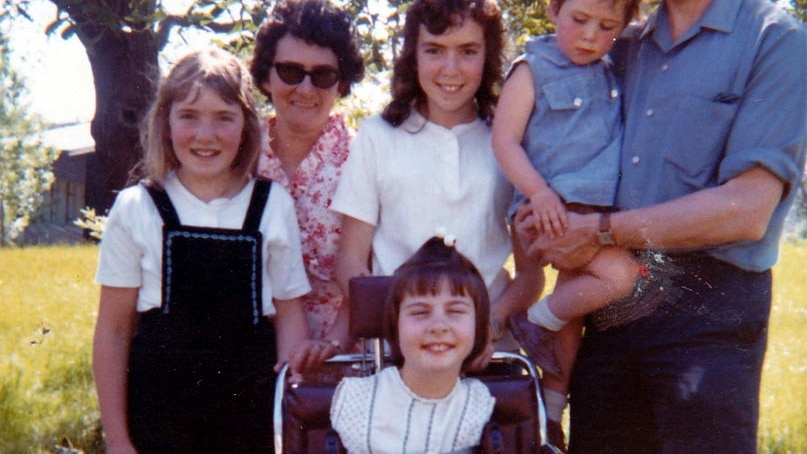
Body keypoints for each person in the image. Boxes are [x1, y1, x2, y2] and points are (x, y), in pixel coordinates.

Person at [515, 0, 807, 452]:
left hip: (712, 304)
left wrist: (598, 231)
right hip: (614, 304)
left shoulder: (775, 39)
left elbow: (747, 210)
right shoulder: (621, 42)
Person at [92, 48, 333, 454]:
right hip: (157, 417)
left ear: (246, 127)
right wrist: (118, 440)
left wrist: (289, 420)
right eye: (189, 116)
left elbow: (291, 314)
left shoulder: (271, 205)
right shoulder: (138, 208)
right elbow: (113, 333)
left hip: (248, 417)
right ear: (166, 122)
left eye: (224, 117)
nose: (206, 135)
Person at [331, 0, 542, 373]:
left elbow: (531, 274)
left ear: (488, 56)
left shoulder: (509, 141)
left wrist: (488, 326)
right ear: (413, 55)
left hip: (485, 354)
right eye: (434, 51)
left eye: (468, 51)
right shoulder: (378, 137)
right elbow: (350, 260)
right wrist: (403, 331)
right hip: (396, 356)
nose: (451, 69)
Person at [491, 0, 640, 438]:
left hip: (591, 213)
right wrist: (538, 194)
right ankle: (532, 321)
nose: (591, 35)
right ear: (553, 10)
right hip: (550, 209)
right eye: (579, 20)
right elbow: (505, 140)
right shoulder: (532, 69)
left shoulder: (613, 69)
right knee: (623, 275)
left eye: (607, 26)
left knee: (571, 317)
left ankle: (550, 419)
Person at [251, 0, 365, 344]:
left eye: (323, 75)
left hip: (341, 354)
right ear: (266, 77)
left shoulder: (365, 160)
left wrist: (329, 351)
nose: (305, 89)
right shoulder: (237, 155)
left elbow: (372, 275)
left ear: (341, 83)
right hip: (241, 353)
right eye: (290, 71)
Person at [330, 236, 496, 453]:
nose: (438, 326)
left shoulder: (477, 405)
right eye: (420, 312)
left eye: (455, 311)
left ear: (479, 325)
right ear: (395, 325)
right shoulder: (356, 401)